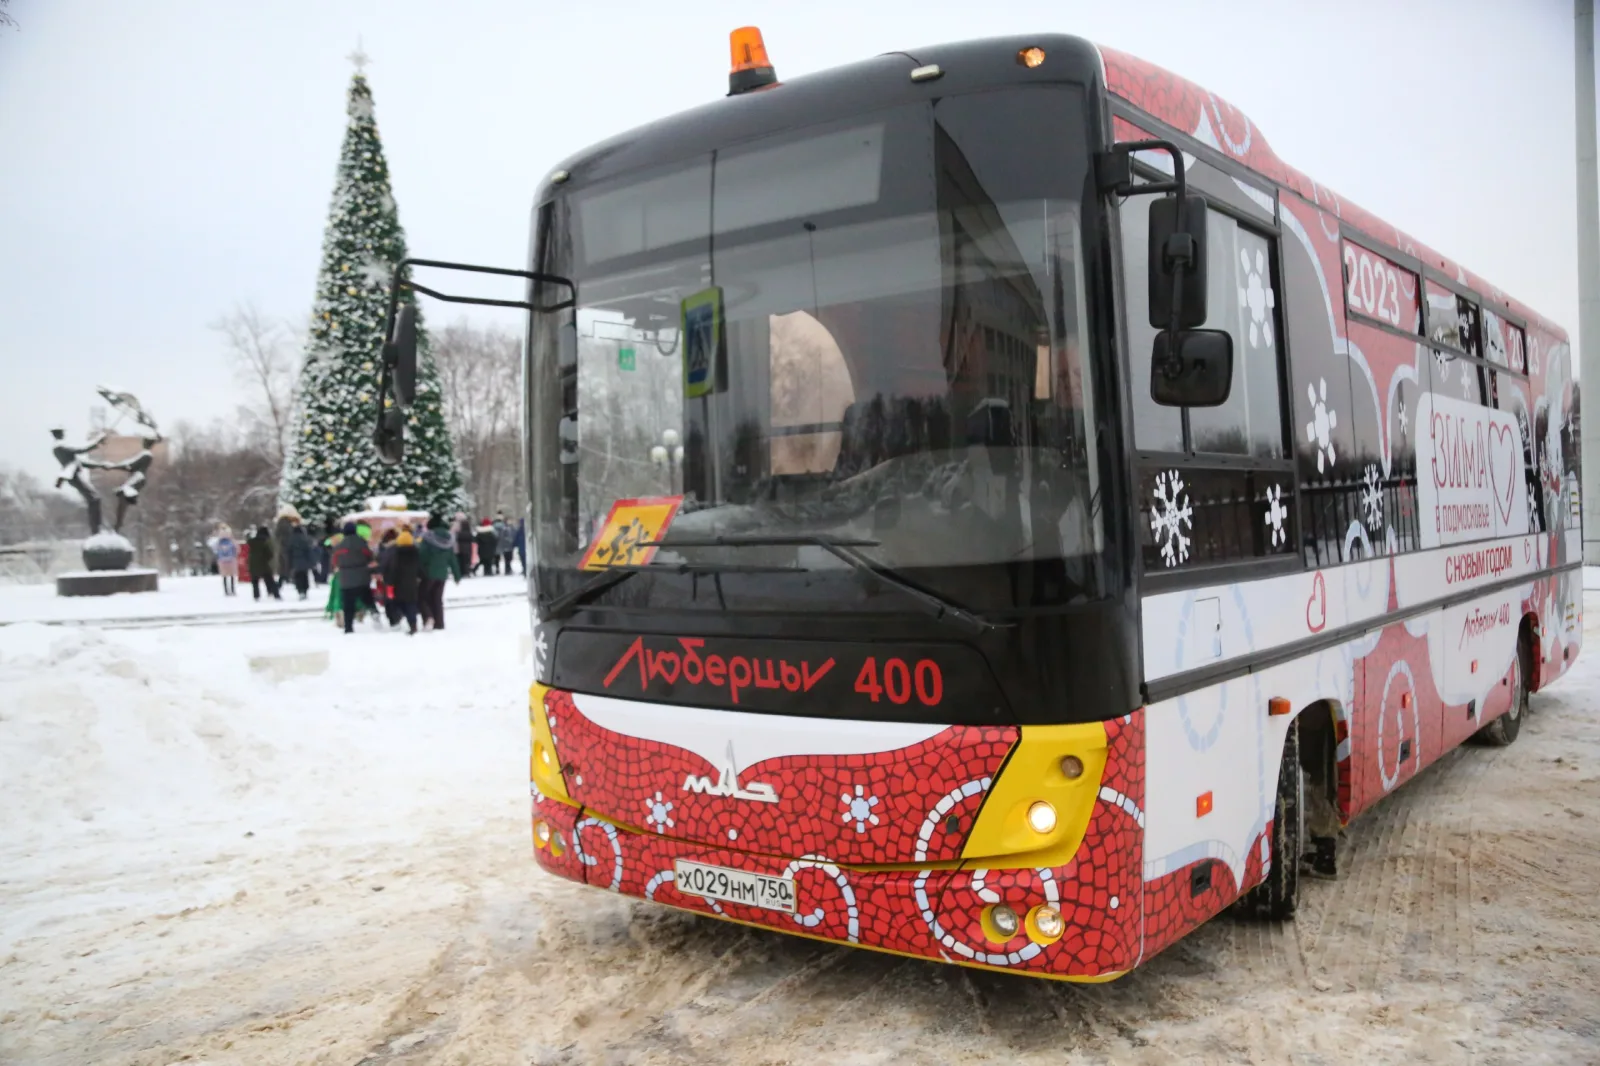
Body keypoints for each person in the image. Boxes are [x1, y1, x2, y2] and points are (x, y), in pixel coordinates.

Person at [330, 521, 377, 633]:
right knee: (367, 598)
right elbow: (370, 557)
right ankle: (375, 614)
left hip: (346, 579)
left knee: (348, 604)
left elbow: (335, 561)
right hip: (362, 577)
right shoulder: (362, 543)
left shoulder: (340, 546)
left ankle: (348, 627)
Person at [419, 513, 461, 630]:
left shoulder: (427, 538)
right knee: (437, 599)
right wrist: (457, 575)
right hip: (442, 574)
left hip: (428, 573)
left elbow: (422, 555)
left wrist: (418, 571)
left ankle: (428, 617)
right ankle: (439, 623)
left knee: (422, 597)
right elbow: (452, 559)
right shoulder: (448, 539)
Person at [381, 528, 424, 634]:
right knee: (411, 605)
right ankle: (413, 625)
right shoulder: (416, 553)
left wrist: (389, 583)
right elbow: (420, 569)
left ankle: (399, 617)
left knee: (398, 603)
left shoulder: (397, 554)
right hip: (412, 584)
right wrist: (420, 578)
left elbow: (392, 570)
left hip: (398, 585)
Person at [246, 524, 281, 601]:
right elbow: (270, 554)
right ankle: (276, 595)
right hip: (263, 564)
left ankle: (256, 596)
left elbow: (248, 541)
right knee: (270, 580)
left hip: (253, 564)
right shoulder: (265, 542)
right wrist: (267, 559)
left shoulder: (252, 542)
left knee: (255, 581)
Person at [286, 521, 316, 600]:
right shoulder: (304, 539)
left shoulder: (291, 539)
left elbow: (289, 552)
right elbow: (309, 551)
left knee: (298, 577)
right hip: (304, 561)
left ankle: (300, 591)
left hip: (295, 561)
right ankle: (305, 590)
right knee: (304, 576)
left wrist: (289, 563)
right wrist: (312, 562)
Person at [212, 524, 239, 597]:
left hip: (222, 561)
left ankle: (226, 591)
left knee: (224, 576)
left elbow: (215, 549)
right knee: (232, 575)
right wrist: (235, 555)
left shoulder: (219, 541)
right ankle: (233, 590)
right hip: (231, 560)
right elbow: (237, 549)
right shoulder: (231, 540)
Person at [454, 513, 475, 578]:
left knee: (460, 560)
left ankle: (462, 572)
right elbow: (471, 536)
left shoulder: (456, 525)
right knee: (467, 560)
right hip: (467, 546)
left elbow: (453, 535)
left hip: (459, 546)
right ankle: (466, 572)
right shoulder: (467, 524)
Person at [495, 511, 515, 575]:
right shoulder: (505, 528)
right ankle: (507, 569)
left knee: (507, 558)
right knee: (507, 558)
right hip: (506, 545)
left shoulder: (507, 527)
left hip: (506, 545)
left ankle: (507, 569)